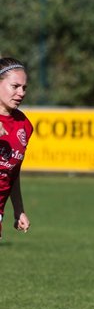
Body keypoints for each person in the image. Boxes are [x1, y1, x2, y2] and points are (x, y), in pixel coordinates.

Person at [0, 57, 32, 240]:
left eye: (24, 87)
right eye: (15, 86)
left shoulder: (24, 125)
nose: (21, 93)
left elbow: (12, 171)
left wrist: (19, 209)